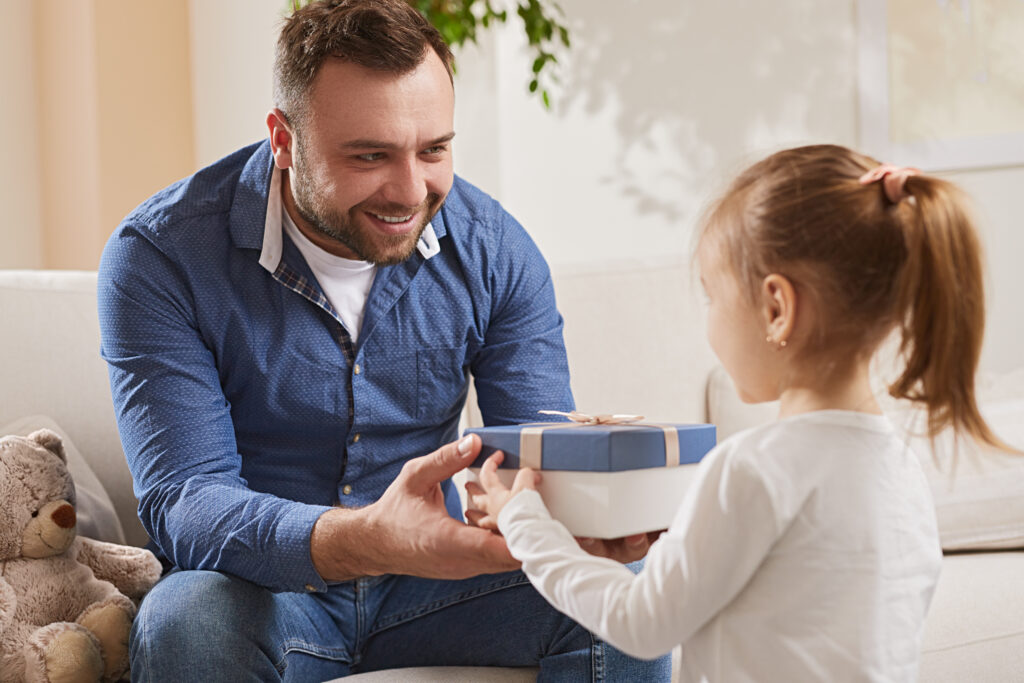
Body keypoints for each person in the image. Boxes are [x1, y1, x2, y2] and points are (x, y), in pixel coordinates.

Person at [97, 0, 669, 680]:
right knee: (187, 622)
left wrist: (583, 518)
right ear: (284, 139)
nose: (409, 189)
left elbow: (531, 456)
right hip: (262, 593)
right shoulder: (161, 256)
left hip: (439, 583)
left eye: (434, 150)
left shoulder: (496, 251)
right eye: (370, 155)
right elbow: (186, 504)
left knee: (624, 593)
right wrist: (366, 539)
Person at [468, 144, 1010, 682]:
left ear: (776, 308)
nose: (709, 322)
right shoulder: (901, 467)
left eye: (712, 295)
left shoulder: (753, 466)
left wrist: (525, 525)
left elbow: (640, 624)